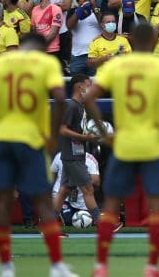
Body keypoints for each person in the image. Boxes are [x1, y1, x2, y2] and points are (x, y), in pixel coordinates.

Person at [0, 33, 78, 277]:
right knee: (43, 200)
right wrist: (51, 133)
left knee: (3, 202)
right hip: (30, 139)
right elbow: (60, 99)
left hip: (1, 140)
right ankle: (57, 265)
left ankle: (6, 267)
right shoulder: (46, 64)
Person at [83, 23, 159, 277]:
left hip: (124, 143)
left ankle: (101, 266)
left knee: (110, 206)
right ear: (153, 40)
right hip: (152, 144)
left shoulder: (117, 65)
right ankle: (152, 266)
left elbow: (88, 98)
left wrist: (103, 131)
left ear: (131, 40)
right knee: (157, 206)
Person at [53, 74, 100, 225]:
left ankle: (49, 225)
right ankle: (102, 224)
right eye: (88, 84)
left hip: (74, 155)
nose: (91, 88)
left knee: (64, 191)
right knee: (88, 189)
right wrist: (85, 138)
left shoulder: (80, 106)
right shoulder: (72, 106)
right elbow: (62, 130)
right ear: (80, 87)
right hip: (73, 156)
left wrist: (85, 136)